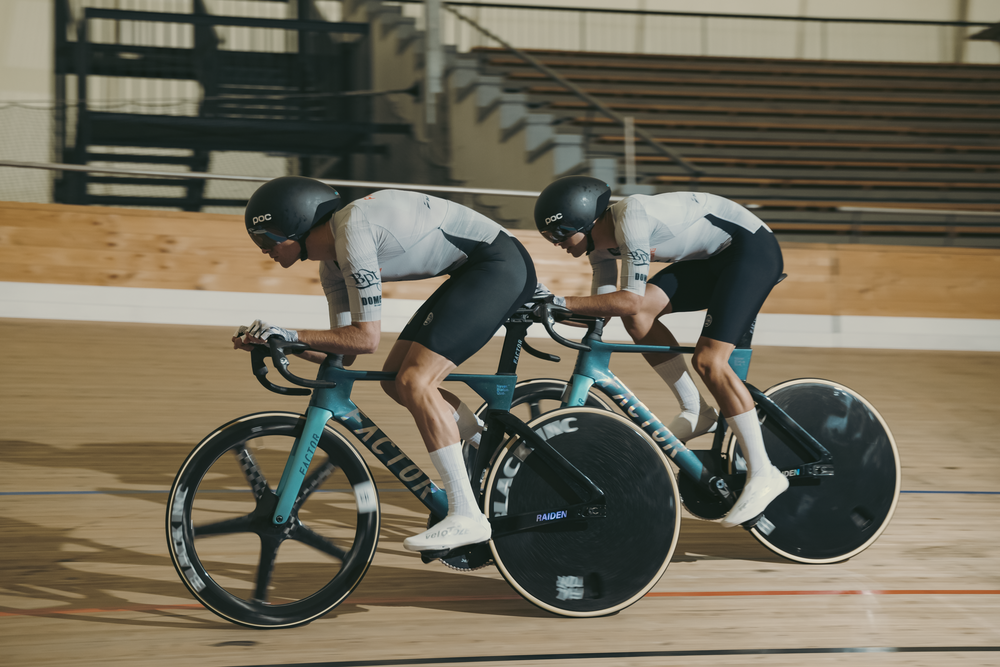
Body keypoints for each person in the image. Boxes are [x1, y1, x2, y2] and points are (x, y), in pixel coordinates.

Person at [233, 176, 537, 551]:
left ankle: (466, 515)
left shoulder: (353, 230)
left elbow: (366, 339)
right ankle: (497, 449)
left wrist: (291, 333)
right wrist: (280, 343)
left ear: (295, 224)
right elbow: (344, 353)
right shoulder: (331, 266)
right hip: (476, 269)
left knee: (415, 381)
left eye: (265, 238)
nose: (263, 249)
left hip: (499, 264)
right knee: (395, 381)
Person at [533, 175, 787, 528]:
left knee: (709, 361)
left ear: (585, 221)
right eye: (550, 237)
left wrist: (559, 300)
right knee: (638, 318)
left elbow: (628, 299)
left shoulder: (631, 217)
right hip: (715, 259)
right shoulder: (600, 248)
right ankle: (696, 409)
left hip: (750, 251)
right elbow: (603, 311)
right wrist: (538, 307)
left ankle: (764, 472)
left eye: (559, 234)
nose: (557, 243)